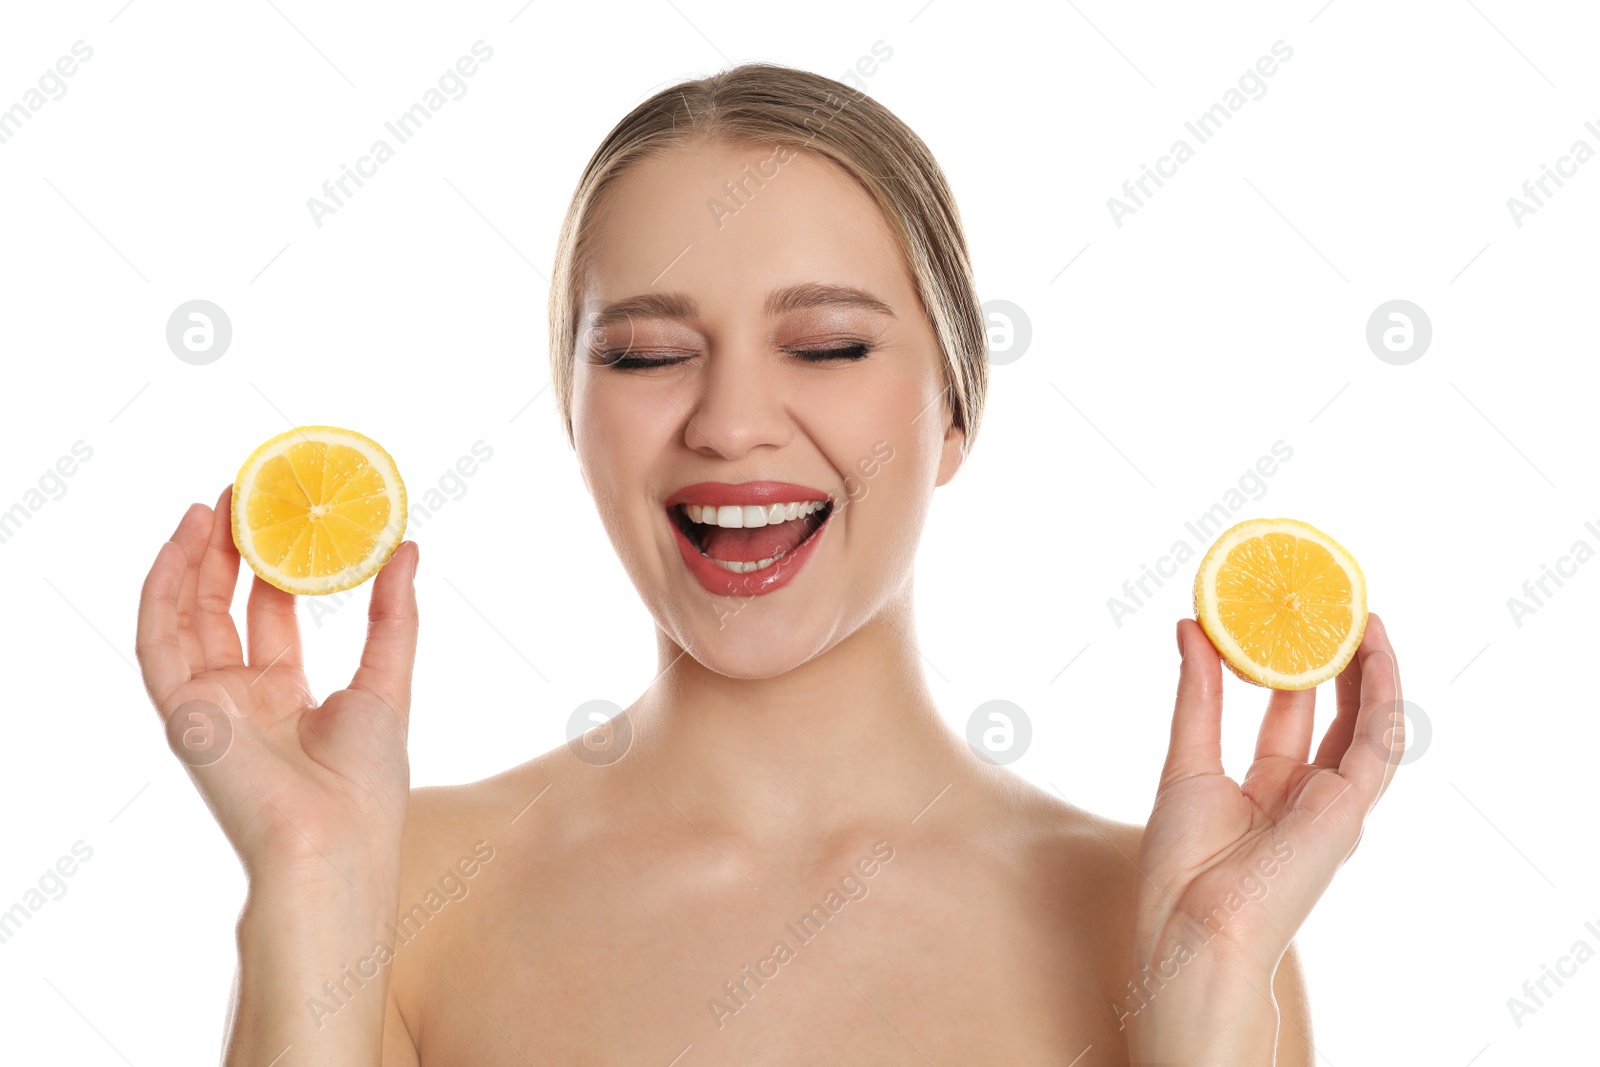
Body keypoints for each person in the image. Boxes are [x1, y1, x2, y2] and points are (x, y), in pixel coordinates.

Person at [136, 62, 1404, 1065]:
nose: (730, 421)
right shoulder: (393, 893)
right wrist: (307, 885)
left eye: (830, 347)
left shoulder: (1177, 923)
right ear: (576, 418)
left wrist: (1218, 984)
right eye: (642, 355)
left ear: (956, 411)